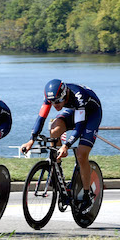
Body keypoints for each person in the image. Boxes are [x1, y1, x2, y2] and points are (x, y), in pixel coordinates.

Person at [20, 79, 102, 214]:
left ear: (65, 95)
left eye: (58, 102)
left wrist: (66, 145)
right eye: (52, 102)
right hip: (74, 110)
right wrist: (31, 140)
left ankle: (87, 194)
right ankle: (57, 169)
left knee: (82, 154)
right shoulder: (51, 97)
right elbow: (41, 118)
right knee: (54, 130)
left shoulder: (79, 96)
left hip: (91, 114)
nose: (55, 105)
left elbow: (80, 126)